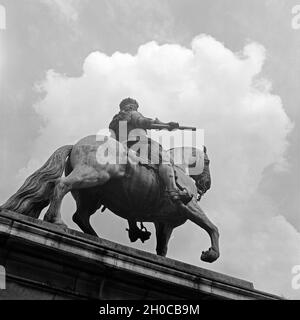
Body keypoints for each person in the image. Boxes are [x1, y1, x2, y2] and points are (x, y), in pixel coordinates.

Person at [109, 97, 191, 204]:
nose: (136, 109)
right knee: (165, 159)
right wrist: (166, 125)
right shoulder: (132, 113)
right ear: (132, 106)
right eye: (135, 107)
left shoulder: (114, 121)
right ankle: (173, 190)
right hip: (138, 143)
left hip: (121, 147)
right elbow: (143, 122)